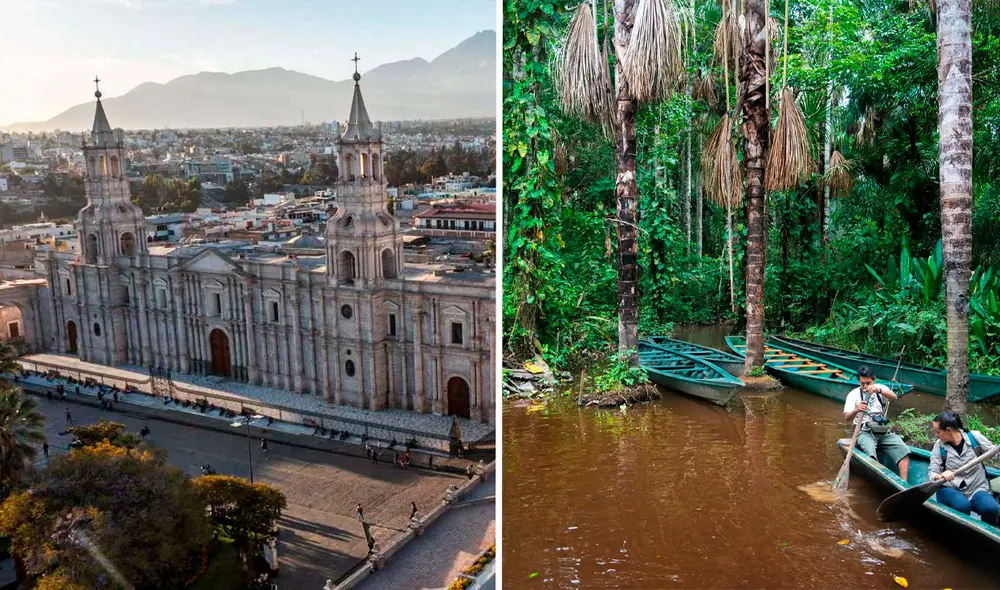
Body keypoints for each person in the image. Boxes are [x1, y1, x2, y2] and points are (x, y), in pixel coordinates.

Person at [929, 412, 999, 526]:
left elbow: (995, 453)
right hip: (951, 488)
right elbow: (933, 472)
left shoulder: (974, 437)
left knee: (992, 508)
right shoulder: (939, 446)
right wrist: (941, 475)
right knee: (962, 506)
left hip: (977, 487)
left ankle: (988, 534)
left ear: (948, 430)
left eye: (937, 432)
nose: (936, 435)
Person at [843, 366, 910, 480]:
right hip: (863, 431)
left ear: (874, 380)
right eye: (862, 383)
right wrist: (857, 409)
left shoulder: (880, 388)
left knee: (903, 451)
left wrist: (878, 390)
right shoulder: (853, 395)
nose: (865, 386)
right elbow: (847, 418)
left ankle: (904, 484)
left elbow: (894, 397)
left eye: (868, 383)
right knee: (870, 455)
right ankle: (878, 480)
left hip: (881, 430)